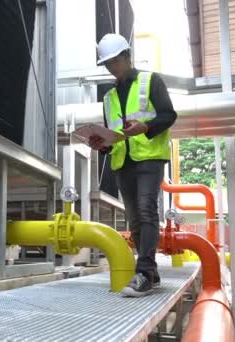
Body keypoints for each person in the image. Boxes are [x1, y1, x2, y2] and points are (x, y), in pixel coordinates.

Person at [88, 33, 177, 297]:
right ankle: (151, 273)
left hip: (149, 157)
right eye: (107, 64)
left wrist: (145, 127)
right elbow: (114, 134)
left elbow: (169, 115)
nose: (111, 68)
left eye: (115, 62)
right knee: (135, 219)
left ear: (127, 57)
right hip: (122, 161)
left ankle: (144, 272)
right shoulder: (108, 97)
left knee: (147, 210)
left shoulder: (151, 81)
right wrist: (101, 144)